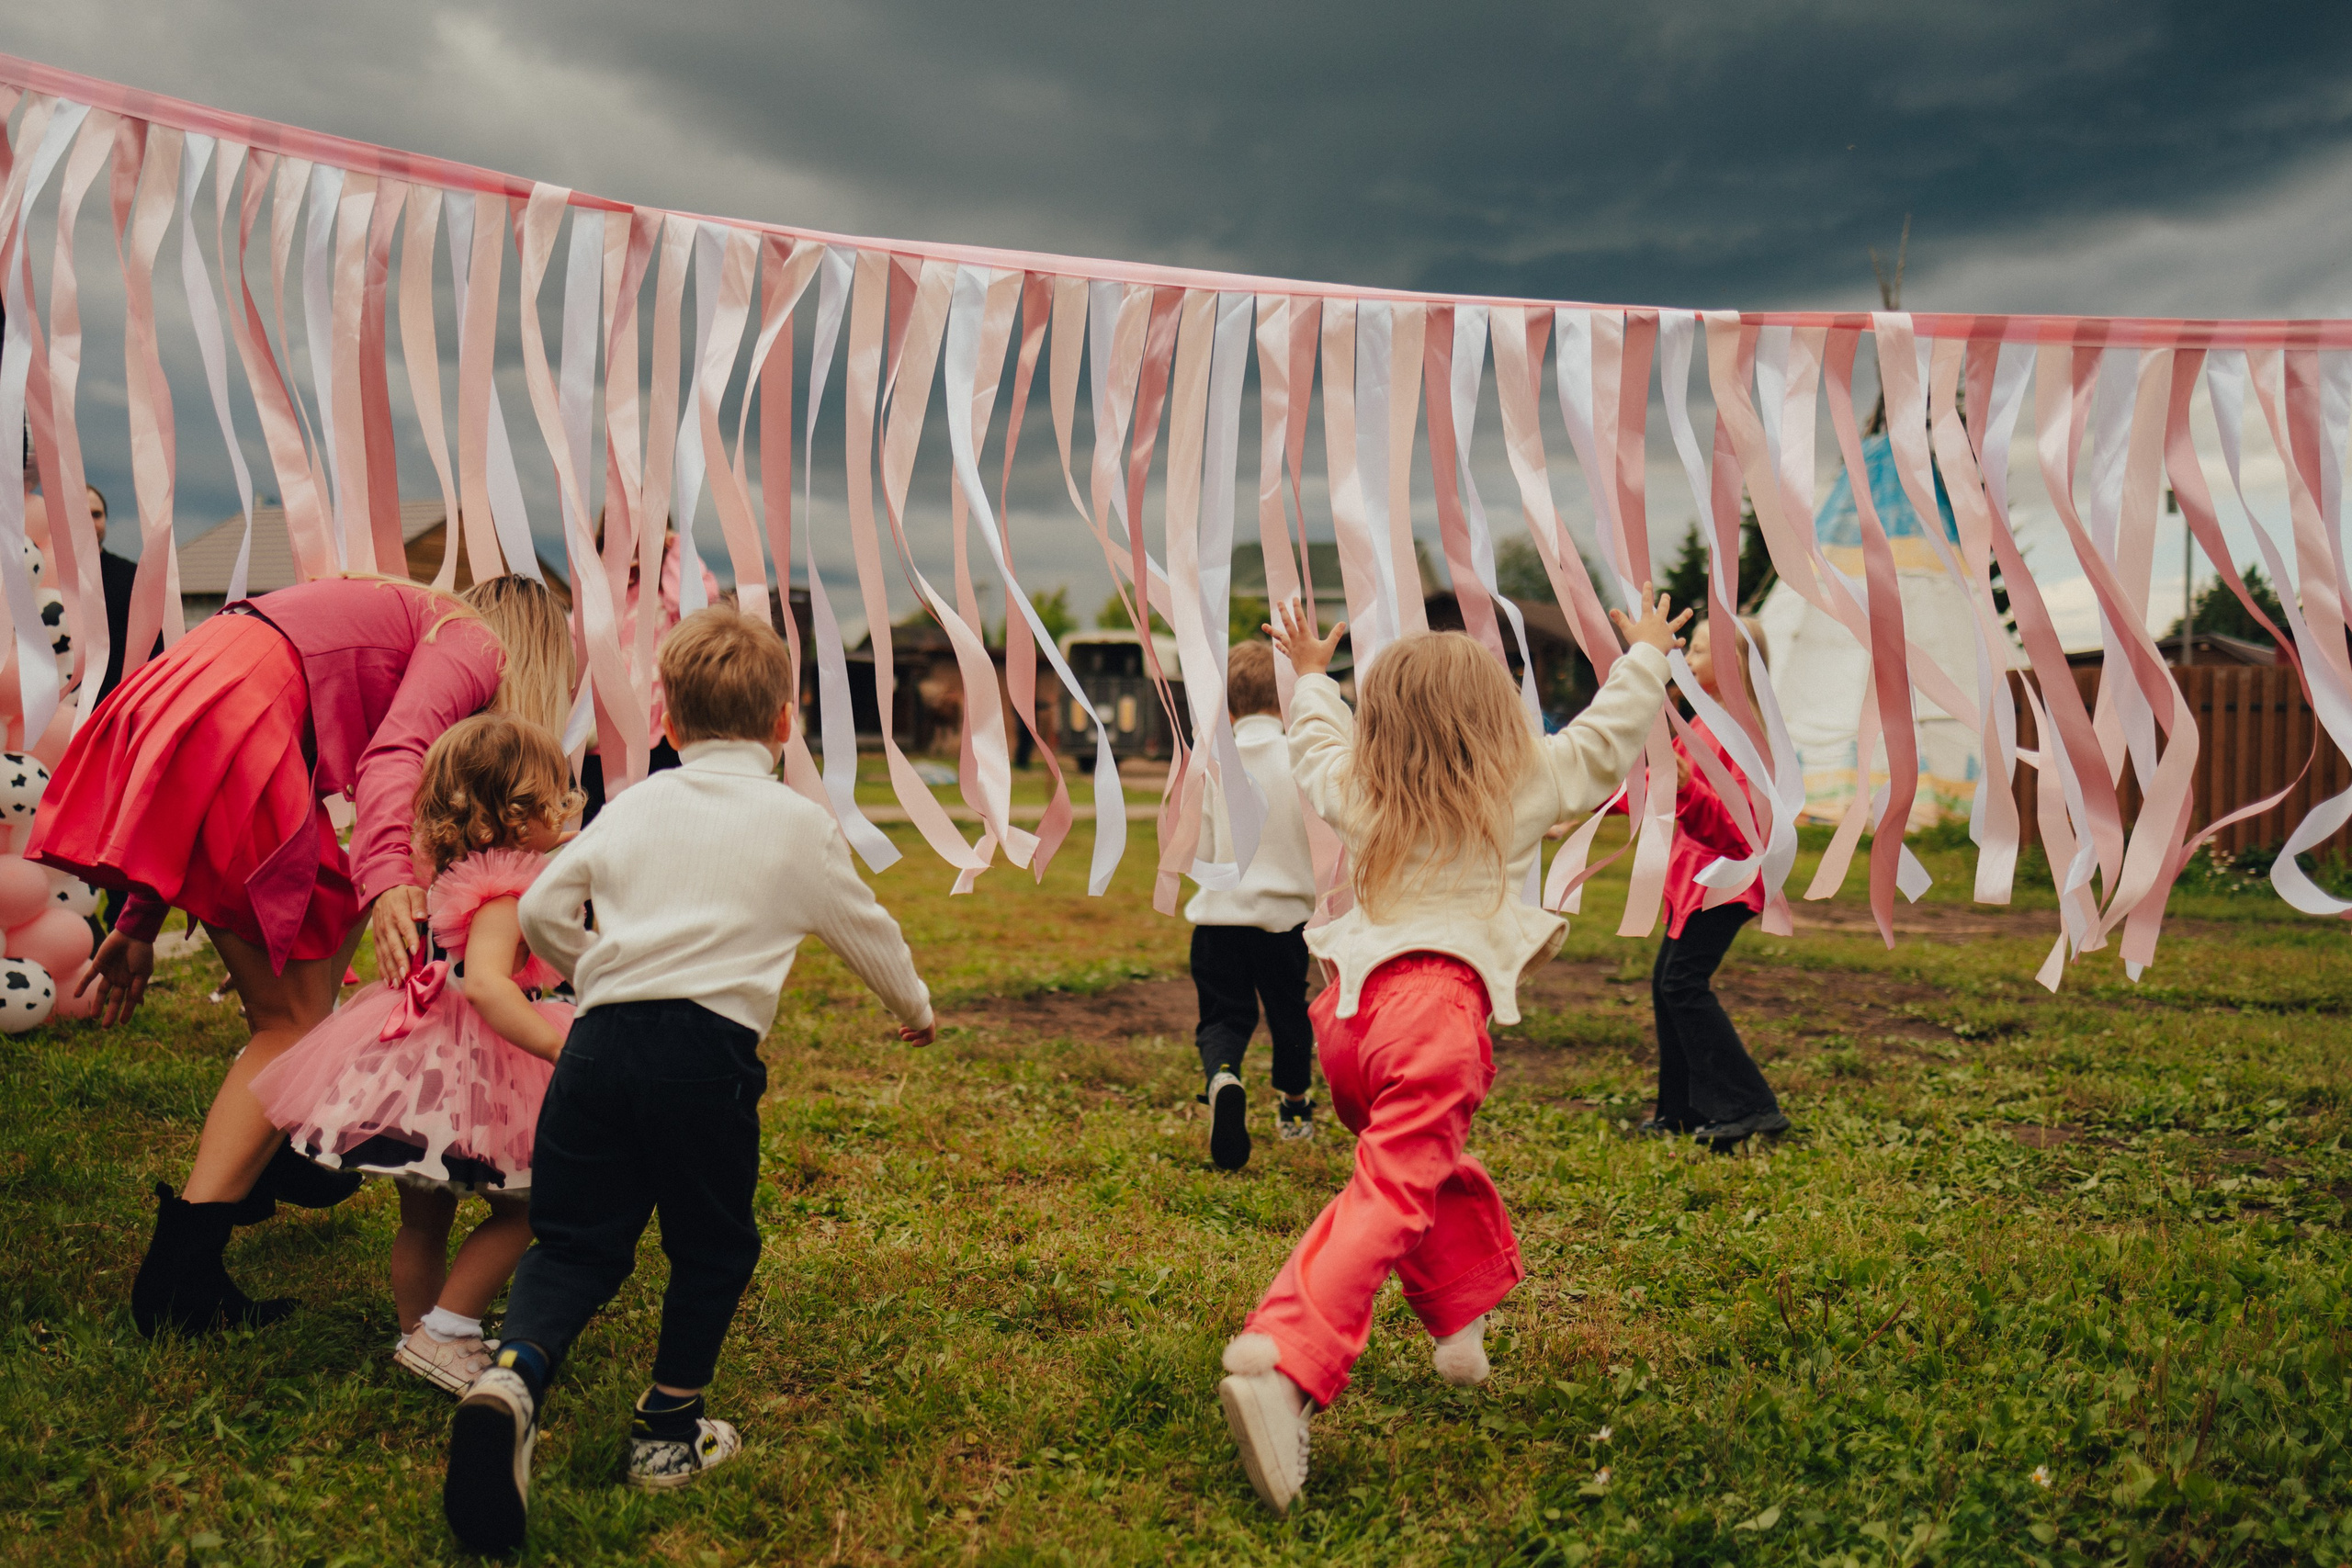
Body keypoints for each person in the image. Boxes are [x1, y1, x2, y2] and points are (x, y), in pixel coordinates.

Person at [442, 606, 934, 1553]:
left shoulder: (635, 803)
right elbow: (869, 932)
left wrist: (591, 973)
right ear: (785, 724)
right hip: (704, 1060)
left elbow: (544, 903)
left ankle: (512, 1375)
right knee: (711, 1246)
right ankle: (666, 1431)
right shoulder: (797, 824)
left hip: (596, 1048)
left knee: (576, 1240)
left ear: (663, 721)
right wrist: (913, 1009)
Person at [1217, 588, 1686, 1517]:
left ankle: (1460, 1315)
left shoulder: (1361, 786)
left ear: (1379, 720)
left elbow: (1315, 747)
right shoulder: (1525, 781)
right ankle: (1285, 1360)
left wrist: (1312, 679)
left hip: (1347, 1023)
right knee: (1393, 1185)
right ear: (1495, 713)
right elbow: (1607, 735)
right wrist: (1645, 655)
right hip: (1433, 1015)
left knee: (1422, 1164)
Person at [27, 572, 574, 1337]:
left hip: (205, 703)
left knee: (322, 921)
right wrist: (388, 883)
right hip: (236, 718)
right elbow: (395, 758)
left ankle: (282, 1146)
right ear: (539, 652)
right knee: (287, 1022)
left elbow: (195, 785)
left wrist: (140, 919)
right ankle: (183, 1273)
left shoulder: (420, 619)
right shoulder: (475, 642)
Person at [251, 715, 581, 1393]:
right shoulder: (506, 890)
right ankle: (448, 1329)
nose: (572, 807)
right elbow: (488, 983)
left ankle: (417, 1333)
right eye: (559, 796)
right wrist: (556, 1043)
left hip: (420, 1060)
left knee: (423, 1216)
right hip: (478, 1059)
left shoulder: (445, 870)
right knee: (530, 1206)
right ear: (515, 819)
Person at [1637, 616, 1790, 1150]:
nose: (1689, 657)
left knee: (1683, 986)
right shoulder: (1700, 724)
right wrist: (1582, 813)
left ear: (1733, 664)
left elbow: (1741, 830)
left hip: (1727, 883)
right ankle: (1679, 1110)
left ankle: (1750, 1107)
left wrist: (1688, 790)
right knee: (1668, 985)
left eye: (1699, 649)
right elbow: (1663, 787)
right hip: (1695, 881)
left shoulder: (1742, 735)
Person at [1185, 639, 1318, 1172]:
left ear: (1229, 708)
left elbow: (1200, 847)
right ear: (1286, 701)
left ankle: (1222, 1075)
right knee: (1289, 1013)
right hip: (1285, 920)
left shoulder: (1213, 763)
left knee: (1224, 1014)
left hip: (1219, 919)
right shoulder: (1305, 760)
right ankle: (1293, 1107)